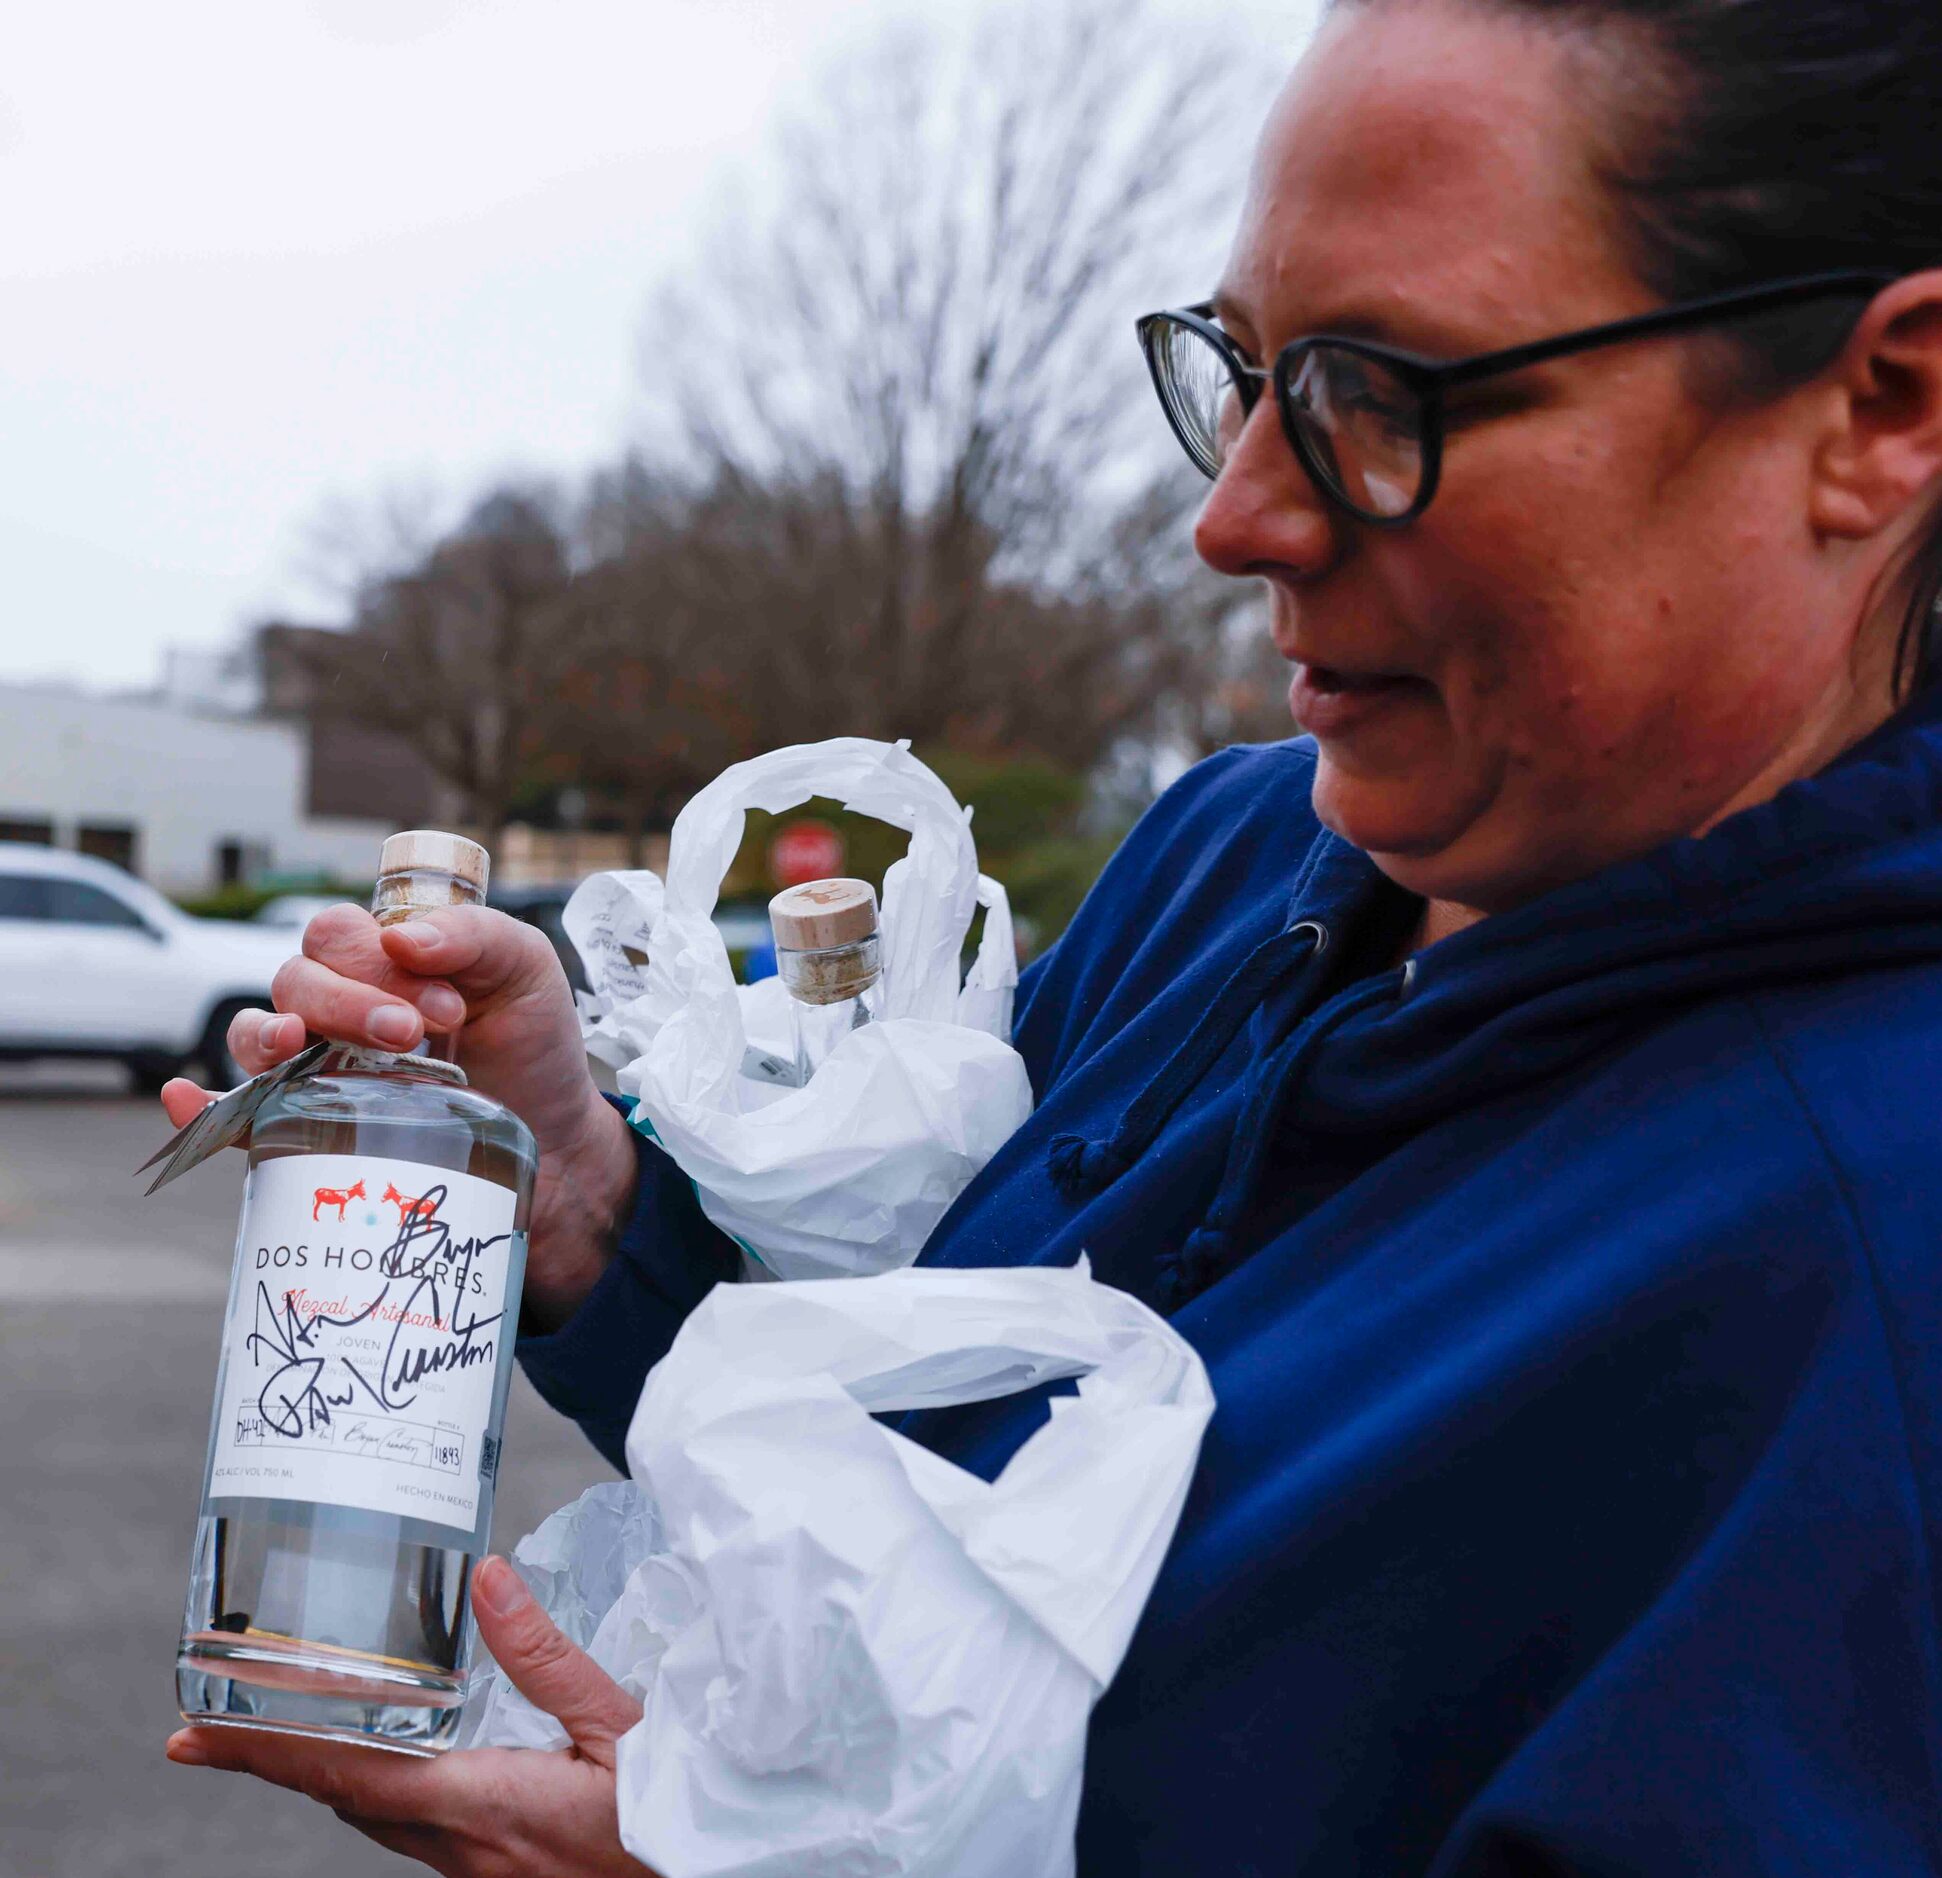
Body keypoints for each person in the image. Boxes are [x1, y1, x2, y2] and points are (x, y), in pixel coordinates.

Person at [163, 0, 1942, 1869]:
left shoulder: (1868, 1265)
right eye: (1239, 372)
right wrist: (589, 1200)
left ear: (1881, 407)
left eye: (1377, 394)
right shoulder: (1236, 861)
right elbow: (923, 1433)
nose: (1235, 515)